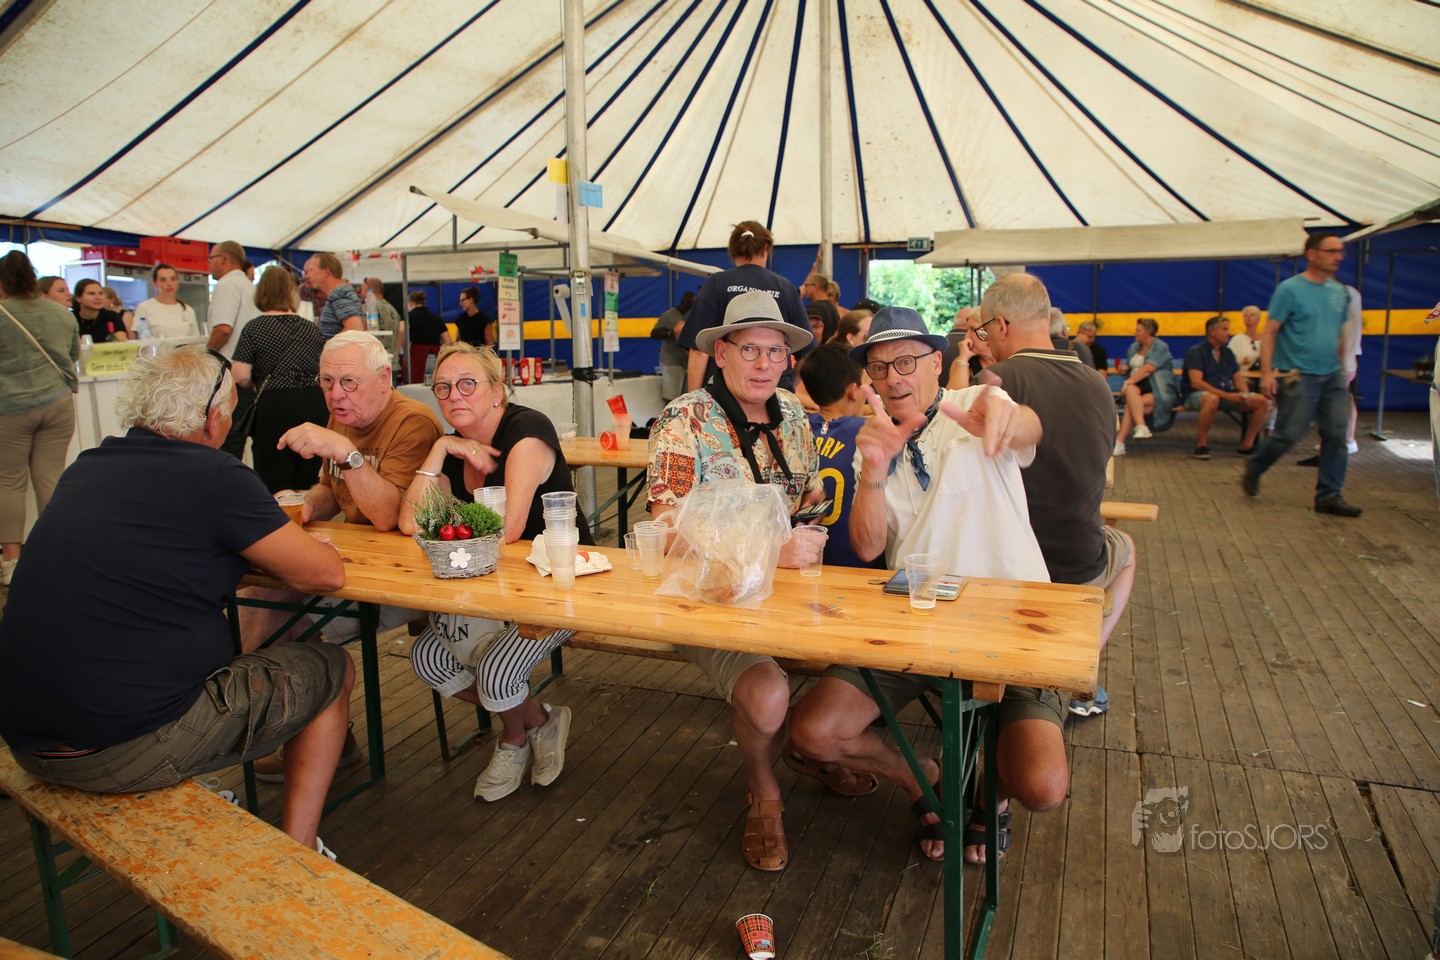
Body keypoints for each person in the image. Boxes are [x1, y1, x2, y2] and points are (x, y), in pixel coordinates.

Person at [0, 345, 353, 858]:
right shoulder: (216, 475)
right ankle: (299, 849)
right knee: (332, 667)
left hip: (28, 739)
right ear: (212, 419)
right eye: (230, 411)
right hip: (118, 747)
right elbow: (325, 573)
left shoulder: (88, 465)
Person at [788, 306, 1062, 866]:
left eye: (906, 362)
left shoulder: (975, 404)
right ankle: (923, 779)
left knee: (1043, 786)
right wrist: (872, 470)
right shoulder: (873, 437)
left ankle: (991, 794)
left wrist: (1007, 417)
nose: (893, 378)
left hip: (1013, 620)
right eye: (879, 367)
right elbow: (868, 547)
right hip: (914, 621)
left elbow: (1027, 425)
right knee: (814, 731)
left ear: (937, 362)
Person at [647, 290, 825, 872]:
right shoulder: (684, 420)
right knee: (769, 697)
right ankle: (765, 791)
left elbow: (808, 500)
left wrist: (812, 525)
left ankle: (823, 753)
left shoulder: (793, 414)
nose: (764, 364)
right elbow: (667, 527)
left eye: (776, 352)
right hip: (706, 598)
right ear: (721, 352)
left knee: (863, 674)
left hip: (790, 593)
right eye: (750, 349)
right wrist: (772, 549)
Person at [239, 332, 444, 779]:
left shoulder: (413, 421)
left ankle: (266, 726)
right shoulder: (343, 414)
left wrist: (348, 455)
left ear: (384, 378)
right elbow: (332, 491)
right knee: (257, 594)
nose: (336, 395)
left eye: (349, 382)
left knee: (276, 615)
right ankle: (309, 732)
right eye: (327, 381)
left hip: (404, 577)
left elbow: (389, 516)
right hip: (355, 564)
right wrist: (304, 505)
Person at [398, 343, 592, 801]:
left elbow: (510, 530)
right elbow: (410, 522)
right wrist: (440, 448)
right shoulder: (453, 446)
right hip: (494, 587)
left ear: (497, 390)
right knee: (427, 658)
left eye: (468, 384)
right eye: (443, 387)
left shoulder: (526, 431)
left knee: (496, 672)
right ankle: (539, 719)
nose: (454, 395)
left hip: (561, 581)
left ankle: (513, 738)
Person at [976, 274, 1135, 718]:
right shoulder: (1098, 385)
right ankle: (1082, 664)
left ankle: (1069, 668)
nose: (987, 340)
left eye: (986, 331)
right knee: (1126, 548)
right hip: (1078, 564)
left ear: (1001, 325)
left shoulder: (993, 381)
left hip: (1003, 570)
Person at [1242, 234, 1361, 516]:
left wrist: (1342, 368)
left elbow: (1339, 333)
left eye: (1340, 251)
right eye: (1331, 251)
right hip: (1298, 375)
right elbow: (1270, 332)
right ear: (1312, 254)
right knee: (1289, 434)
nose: (1338, 257)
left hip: (1332, 375)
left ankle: (1329, 495)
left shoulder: (1339, 292)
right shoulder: (1290, 290)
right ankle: (1256, 465)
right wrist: (1267, 373)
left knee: (1336, 435)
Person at [0, 250, 79, 586]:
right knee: (51, 477)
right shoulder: (61, 313)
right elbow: (73, 355)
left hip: (10, 406)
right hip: (57, 403)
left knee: (9, 481)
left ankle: (11, 562)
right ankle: (54, 554)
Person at [677, 221, 810, 393]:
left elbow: (698, 351)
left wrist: (694, 399)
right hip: (774, 391)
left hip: (725, 393)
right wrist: (787, 384)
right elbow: (807, 354)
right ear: (765, 248)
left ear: (732, 251)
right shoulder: (785, 287)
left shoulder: (717, 283)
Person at [232, 266, 328, 492]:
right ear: (290, 292)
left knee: (275, 480)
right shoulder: (311, 328)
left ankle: (282, 514)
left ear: (261, 292)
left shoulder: (254, 328)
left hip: (274, 407)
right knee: (309, 478)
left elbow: (240, 375)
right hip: (314, 404)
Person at [797, 343, 881, 569]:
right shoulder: (869, 431)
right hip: (859, 567)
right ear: (853, 391)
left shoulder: (797, 428)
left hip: (805, 564)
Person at [1180, 316, 1271, 459]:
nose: (1229, 333)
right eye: (1225, 329)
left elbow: (1237, 378)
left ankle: (1247, 444)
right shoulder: (1196, 351)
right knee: (1212, 399)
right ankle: (1201, 445)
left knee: (1262, 401)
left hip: (1225, 393)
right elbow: (1196, 383)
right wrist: (1226, 395)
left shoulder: (1228, 353)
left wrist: (1245, 394)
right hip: (1197, 395)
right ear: (1212, 332)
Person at [206, 240, 259, 460]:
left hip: (230, 371)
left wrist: (205, 354)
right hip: (250, 372)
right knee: (239, 438)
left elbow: (223, 328)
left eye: (211, 258)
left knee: (227, 441)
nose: (209, 264)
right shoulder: (249, 285)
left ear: (223, 259)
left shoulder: (227, 284)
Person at [1112, 317, 1178, 456]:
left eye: (1138, 330)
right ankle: (1141, 427)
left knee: (1131, 404)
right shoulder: (1134, 347)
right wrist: (1125, 369)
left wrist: (1128, 382)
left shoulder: (1160, 347)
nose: (1135, 333)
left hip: (1157, 389)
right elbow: (1131, 366)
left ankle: (1120, 441)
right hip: (1137, 389)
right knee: (1133, 395)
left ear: (1148, 332)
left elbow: (1148, 368)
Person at [304, 253, 362, 341]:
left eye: (311, 270)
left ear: (326, 272)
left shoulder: (339, 293)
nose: (307, 276)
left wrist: (329, 346)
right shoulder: (342, 292)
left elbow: (355, 328)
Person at [133, 263, 199, 339]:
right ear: (155, 283)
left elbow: (195, 340)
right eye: (163, 280)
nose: (169, 284)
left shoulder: (188, 310)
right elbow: (138, 339)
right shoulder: (144, 307)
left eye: (173, 279)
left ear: (177, 282)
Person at [650, 291, 694, 402]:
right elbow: (654, 333)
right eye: (688, 305)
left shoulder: (694, 314)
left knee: (687, 397)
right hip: (672, 362)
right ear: (682, 302)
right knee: (672, 397)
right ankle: (669, 413)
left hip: (688, 362)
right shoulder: (669, 315)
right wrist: (671, 333)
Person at [406, 289, 446, 384]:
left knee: (416, 387)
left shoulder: (409, 317)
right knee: (436, 384)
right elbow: (448, 340)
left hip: (417, 357)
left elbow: (402, 332)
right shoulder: (437, 318)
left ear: (411, 303)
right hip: (435, 356)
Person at [71, 278, 128, 342]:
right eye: (91, 294)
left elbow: (122, 341)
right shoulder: (70, 318)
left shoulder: (112, 317)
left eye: (100, 293)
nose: (98, 298)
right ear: (78, 298)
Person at [802, 272, 841, 347]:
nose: (805, 289)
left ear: (816, 286)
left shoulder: (813, 308)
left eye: (807, 285)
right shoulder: (833, 308)